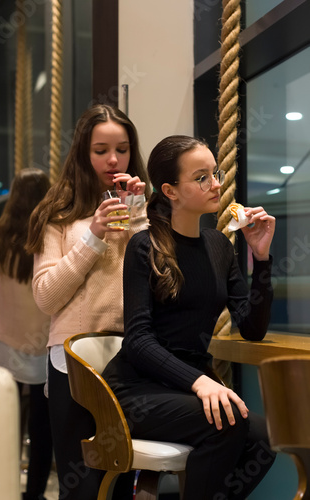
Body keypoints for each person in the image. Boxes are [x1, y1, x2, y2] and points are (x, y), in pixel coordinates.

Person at [102, 135, 277, 500]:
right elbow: (138, 340)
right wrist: (200, 381)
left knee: (265, 439)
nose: (216, 184)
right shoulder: (144, 247)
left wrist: (261, 259)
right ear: (170, 190)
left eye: (215, 173)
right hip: (137, 390)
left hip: (186, 389)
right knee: (229, 424)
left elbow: (252, 328)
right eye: (201, 177)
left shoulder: (218, 246)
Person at [25, 104, 151, 500]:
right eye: (101, 150)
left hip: (131, 358)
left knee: (120, 482)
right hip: (73, 362)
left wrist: (141, 220)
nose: (114, 160)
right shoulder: (57, 213)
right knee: (80, 485)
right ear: (82, 151)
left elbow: (159, 286)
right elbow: (46, 296)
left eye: (122, 148)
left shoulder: (142, 209)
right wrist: (93, 236)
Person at [0, 167, 53, 500]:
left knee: (2, 423)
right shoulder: (53, 236)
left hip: (6, 344)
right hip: (46, 347)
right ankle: (34, 494)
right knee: (42, 429)